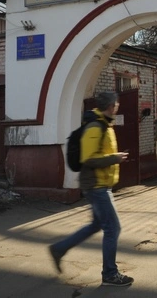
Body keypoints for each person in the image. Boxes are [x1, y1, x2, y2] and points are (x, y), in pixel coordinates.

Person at [49, 91, 134, 287]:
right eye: (116, 104)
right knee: (112, 228)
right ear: (111, 106)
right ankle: (110, 274)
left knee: (97, 225)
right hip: (96, 186)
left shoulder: (105, 124)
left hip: (101, 184)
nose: (117, 107)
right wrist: (114, 158)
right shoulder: (95, 126)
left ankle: (59, 249)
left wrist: (114, 157)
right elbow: (88, 159)